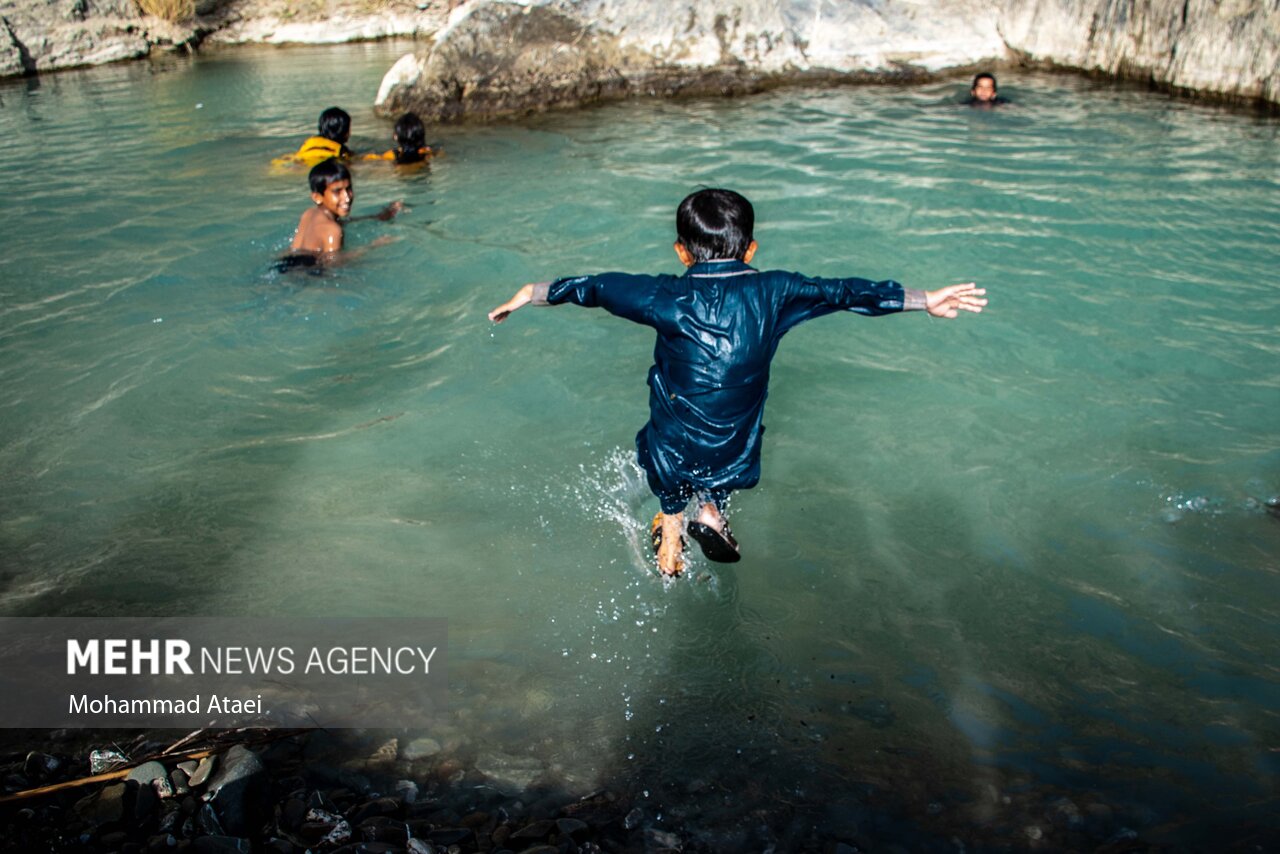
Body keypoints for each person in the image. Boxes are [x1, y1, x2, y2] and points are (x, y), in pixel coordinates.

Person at [487, 188, 987, 576]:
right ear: (750, 249)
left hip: (674, 439)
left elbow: (593, 287)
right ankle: (711, 511)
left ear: (682, 253)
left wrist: (528, 293)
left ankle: (671, 527)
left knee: (667, 434)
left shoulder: (663, 296)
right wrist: (925, 299)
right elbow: (844, 292)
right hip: (734, 443)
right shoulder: (776, 290)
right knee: (723, 447)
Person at [276, 158, 403, 272]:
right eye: (337, 191)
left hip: (286, 265)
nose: (346, 197)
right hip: (308, 275)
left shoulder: (309, 214)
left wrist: (377, 217)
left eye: (348, 189)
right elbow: (334, 265)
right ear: (317, 197)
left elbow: (340, 222)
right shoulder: (333, 231)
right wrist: (373, 246)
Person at [279, 107, 353, 167]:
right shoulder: (342, 151)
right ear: (343, 131)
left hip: (297, 162)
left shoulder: (310, 141)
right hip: (323, 163)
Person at [364, 113, 435, 165]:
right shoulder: (428, 153)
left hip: (400, 174)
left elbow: (371, 158)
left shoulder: (391, 155)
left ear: (396, 136)